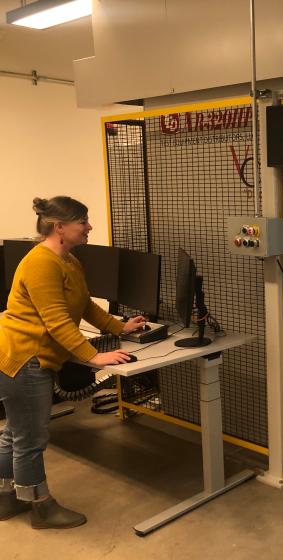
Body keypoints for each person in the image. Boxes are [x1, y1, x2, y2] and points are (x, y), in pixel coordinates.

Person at [0, 196, 146, 529]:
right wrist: (93, 356)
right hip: (24, 359)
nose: (89, 227)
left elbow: (84, 307)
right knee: (30, 439)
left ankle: (6, 498)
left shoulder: (67, 260)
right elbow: (57, 321)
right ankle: (41, 507)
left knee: (15, 433)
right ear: (59, 227)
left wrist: (119, 327)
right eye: (83, 221)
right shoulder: (40, 264)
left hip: (30, 357)